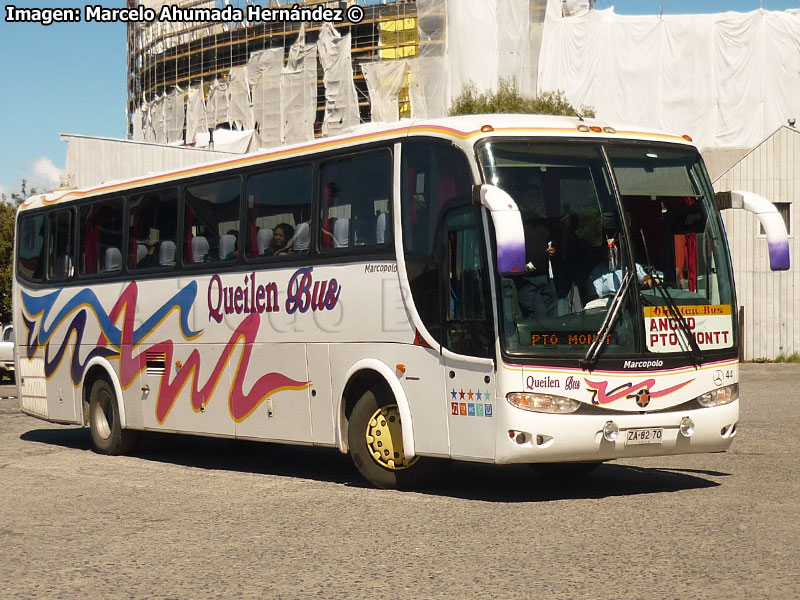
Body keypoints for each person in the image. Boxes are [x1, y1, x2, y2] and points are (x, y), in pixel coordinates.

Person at [515, 185, 560, 320]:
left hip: (546, 278)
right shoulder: (514, 220)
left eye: (535, 196)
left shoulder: (542, 221)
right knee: (539, 319)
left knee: (552, 318)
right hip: (526, 279)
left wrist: (553, 250)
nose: (532, 199)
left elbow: (552, 242)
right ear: (521, 198)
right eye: (528, 195)